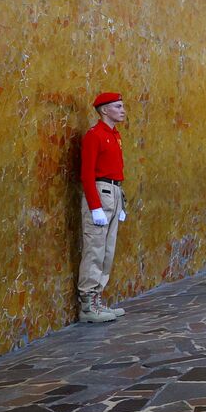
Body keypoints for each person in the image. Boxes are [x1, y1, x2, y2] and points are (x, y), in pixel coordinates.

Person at [78, 92, 129, 324]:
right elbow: (87, 174)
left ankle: (97, 298)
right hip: (100, 193)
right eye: (118, 106)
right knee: (95, 249)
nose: (122, 110)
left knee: (107, 250)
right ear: (104, 110)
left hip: (113, 192)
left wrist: (120, 202)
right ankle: (87, 304)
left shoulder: (114, 135)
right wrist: (94, 206)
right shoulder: (94, 135)